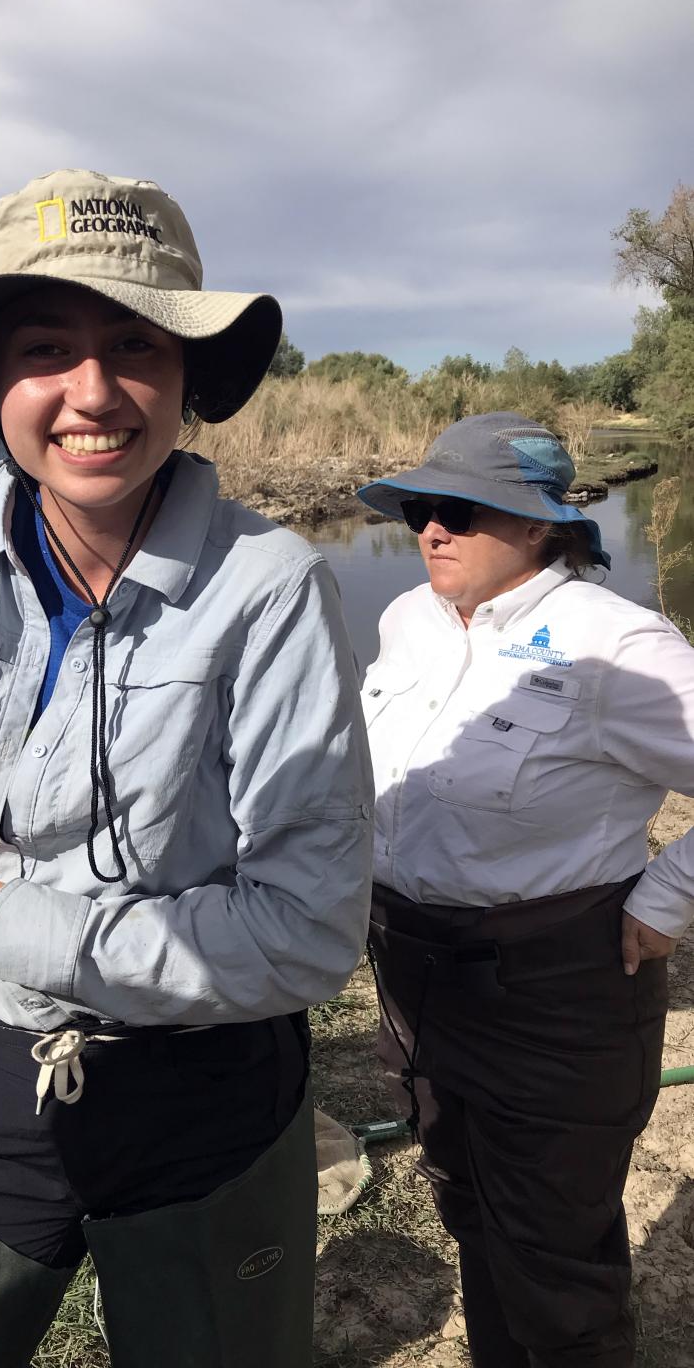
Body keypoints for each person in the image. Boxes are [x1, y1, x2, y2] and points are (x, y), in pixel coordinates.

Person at [0, 168, 375, 1367]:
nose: (93, 393)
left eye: (136, 346)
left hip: (199, 1085)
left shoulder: (271, 590)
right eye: (47, 345)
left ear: (189, 377)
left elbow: (306, 932)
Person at [356, 411, 694, 1368]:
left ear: (543, 526)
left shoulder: (618, 648)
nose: (432, 529)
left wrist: (666, 897)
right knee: (465, 1201)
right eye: (423, 507)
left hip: (555, 988)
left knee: (555, 1253)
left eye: (463, 511)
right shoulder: (406, 619)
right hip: (414, 973)